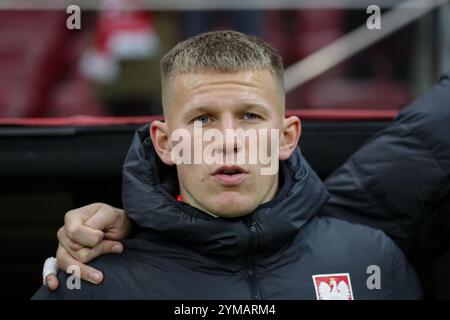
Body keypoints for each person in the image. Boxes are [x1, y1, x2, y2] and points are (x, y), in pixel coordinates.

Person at [33, 30, 421, 300]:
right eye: (203, 119)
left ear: (287, 137)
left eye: (251, 116)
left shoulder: (370, 261)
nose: (230, 140)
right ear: (165, 143)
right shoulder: (93, 279)